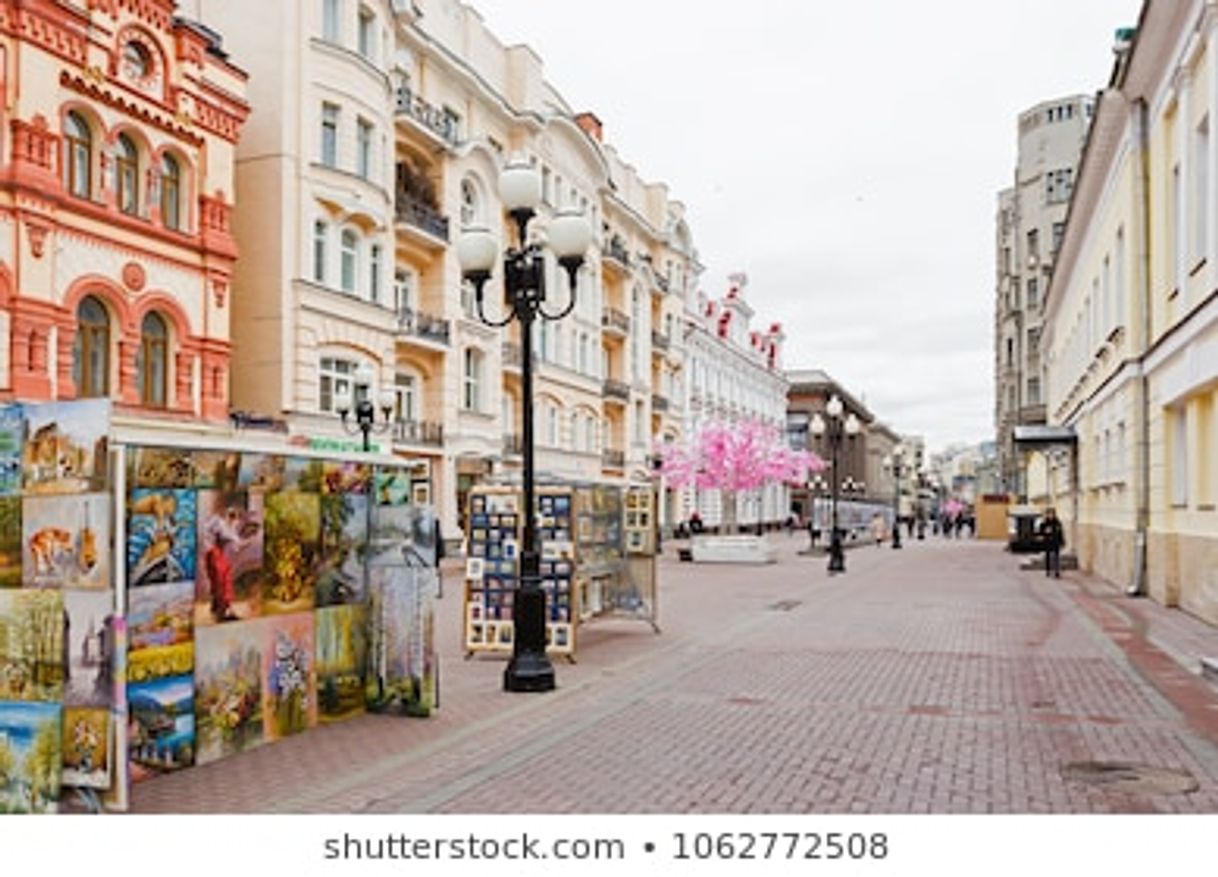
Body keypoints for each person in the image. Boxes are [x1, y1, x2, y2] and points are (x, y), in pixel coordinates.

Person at [1037, 507, 1065, 578]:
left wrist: (1062, 541)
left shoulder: (1057, 522)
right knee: (1048, 557)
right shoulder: (1044, 523)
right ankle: (1048, 570)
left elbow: (1060, 533)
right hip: (1048, 542)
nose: (1051, 515)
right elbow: (1041, 532)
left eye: (1052, 514)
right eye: (1049, 514)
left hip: (1055, 542)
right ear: (1047, 515)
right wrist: (1044, 533)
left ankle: (1056, 571)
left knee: (1056, 557)